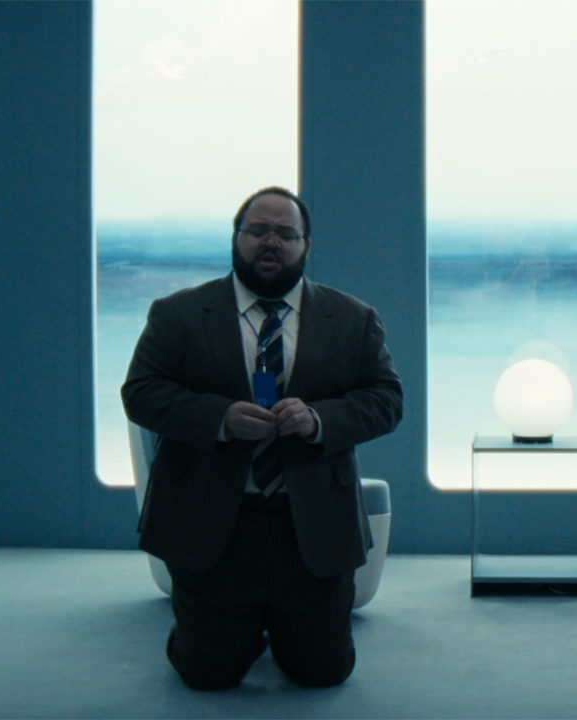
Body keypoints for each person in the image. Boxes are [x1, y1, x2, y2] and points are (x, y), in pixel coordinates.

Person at [121, 187, 403, 690]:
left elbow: (387, 400)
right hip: (213, 527)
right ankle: (225, 632)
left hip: (313, 528)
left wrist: (319, 420)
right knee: (207, 676)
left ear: (306, 246)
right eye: (257, 231)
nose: (270, 242)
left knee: (323, 674)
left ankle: (279, 629)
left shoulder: (354, 318)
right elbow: (140, 394)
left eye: (285, 233)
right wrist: (220, 417)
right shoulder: (177, 314)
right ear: (237, 239)